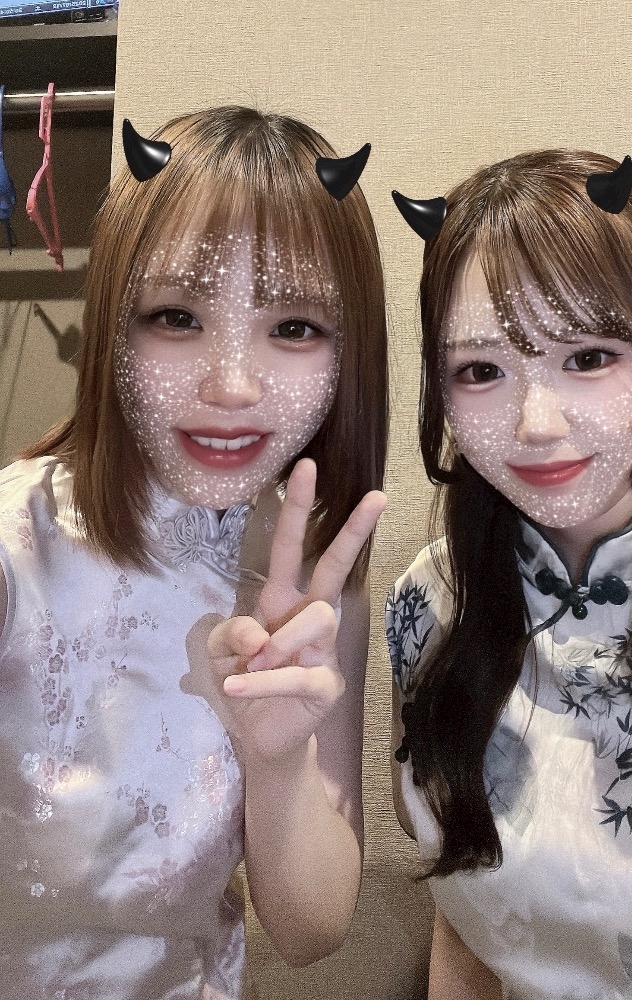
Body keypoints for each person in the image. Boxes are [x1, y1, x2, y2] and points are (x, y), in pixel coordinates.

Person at [0, 106, 387, 999]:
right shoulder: (18, 541)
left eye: (294, 327)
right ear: (113, 325)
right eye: (176, 316)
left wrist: (277, 762)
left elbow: (312, 931)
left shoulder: (313, 586)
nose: (233, 385)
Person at [387, 150, 632, 999]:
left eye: (586, 357)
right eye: (480, 370)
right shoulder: (428, 605)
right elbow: (465, 916)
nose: (536, 423)